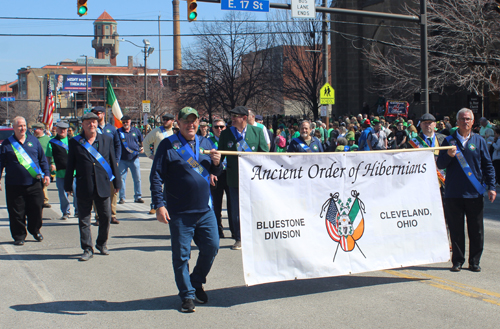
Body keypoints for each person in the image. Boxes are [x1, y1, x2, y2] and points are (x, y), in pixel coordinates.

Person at [150, 107, 222, 313]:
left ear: (199, 122)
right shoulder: (167, 145)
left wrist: (217, 165)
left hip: (205, 209)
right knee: (182, 256)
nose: (191, 125)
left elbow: (214, 172)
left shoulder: (206, 143)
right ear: (178, 124)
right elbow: (156, 176)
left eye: (194, 121)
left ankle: (196, 281)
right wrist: (159, 205)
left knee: (212, 247)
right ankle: (187, 295)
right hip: (180, 211)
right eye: (186, 121)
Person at [437, 108, 496, 272]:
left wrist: (492, 187)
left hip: (474, 193)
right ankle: (457, 261)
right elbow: (440, 165)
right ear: (457, 122)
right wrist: (448, 155)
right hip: (453, 193)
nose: (465, 122)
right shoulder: (448, 140)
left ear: (472, 121)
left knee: (476, 230)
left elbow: (488, 166)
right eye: (462, 119)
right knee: (456, 230)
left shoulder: (479, 141)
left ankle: (474, 261)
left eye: (468, 119)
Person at [65, 112, 121, 261]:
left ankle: (101, 244)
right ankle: (87, 248)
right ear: (82, 125)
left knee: (105, 217)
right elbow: (70, 165)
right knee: (84, 219)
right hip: (84, 185)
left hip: (103, 185)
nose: (92, 125)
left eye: (94, 122)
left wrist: (117, 183)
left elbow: (112, 161)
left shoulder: (106, 140)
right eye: (88, 122)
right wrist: (68, 184)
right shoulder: (75, 142)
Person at [218, 106, 269, 250]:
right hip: (234, 178)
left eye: (235, 116)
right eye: (232, 116)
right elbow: (220, 157)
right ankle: (239, 238)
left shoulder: (257, 132)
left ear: (244, 118)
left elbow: (264, 154)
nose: (232, 119)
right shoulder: (226, 134)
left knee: (255, 208)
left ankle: (255, 237)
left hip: (253, 180)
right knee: (235, 211)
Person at [0, 117, 50, 245]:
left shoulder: (33, 141)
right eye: (19, 126)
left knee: (36, 209)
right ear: (14, 127)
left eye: (24, 126)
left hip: (34, 183)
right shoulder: (7, 144)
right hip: (14, 184)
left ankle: (35, 230)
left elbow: (42, 159)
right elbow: (0, 164)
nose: (22, 128)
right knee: (16, 212)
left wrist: (47, 174)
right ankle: (19, 236)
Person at [90, 106, 122, 225]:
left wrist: (117, 160)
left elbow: (118, 145)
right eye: (94, 113)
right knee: (97, 190)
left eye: (98, 113)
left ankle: (112, 214)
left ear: (103, 114)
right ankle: (98, 216)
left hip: (110, 164)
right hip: (96, 165)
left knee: (113, 190)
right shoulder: (91, 128)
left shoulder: (111, 129)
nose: (97, 115)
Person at [143, 113, 175, 214]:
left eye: (167, 120)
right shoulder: (157, 131)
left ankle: (167, 205)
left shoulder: (176, 132)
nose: (165, 121)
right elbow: (146, 142)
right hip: (160, 162)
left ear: (172, 121)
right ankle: (155, 205)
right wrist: (150, 155)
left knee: (170, 185)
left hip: (172, 162)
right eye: (164, 119)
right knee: (156, 184)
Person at [207, 118, 233, 238]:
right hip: (216, 175)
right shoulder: (208, 142)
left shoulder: (230, 139)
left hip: (229, 173)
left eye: (221, 127)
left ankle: (235, 231)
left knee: (232, 205)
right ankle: (218, 230)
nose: (219, 129)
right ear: (212, 129)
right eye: (216, 127)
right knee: (216, 205)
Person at [46, 121, 76, 220]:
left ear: (67, 130)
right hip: (60, 172)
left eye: (64, 129)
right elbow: (48, 157)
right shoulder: (52, 142)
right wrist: (51, 164)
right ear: (57, 130)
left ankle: (78, 211)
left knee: (77, 192)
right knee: (63, 194)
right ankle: (65, 212)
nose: (62, 131)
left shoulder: (73, 140)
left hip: (74, 172)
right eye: (60, 129)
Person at [117, 115, 144, 204]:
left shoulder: (136, 130)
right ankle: (122, 198)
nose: (125, 123)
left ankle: (138, 196)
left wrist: (142, 147)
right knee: (121, 179)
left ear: (130, 122)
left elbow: (141, 140)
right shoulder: (118, 132)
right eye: (123, 122)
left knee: (137, 178)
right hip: (122, 159)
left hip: (134, 158)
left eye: (127, 122)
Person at [32, 123, 52, 208]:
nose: (34, 131)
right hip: (34, 164)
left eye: (35, 129)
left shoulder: (48, 139)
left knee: (44, 181)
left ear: (41, 129)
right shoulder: (32, 139)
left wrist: (52, 163)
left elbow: (52, 151)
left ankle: (45, 200)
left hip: (44, 163)